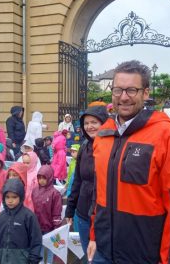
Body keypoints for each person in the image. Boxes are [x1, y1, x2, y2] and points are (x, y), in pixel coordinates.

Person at [87, 60, 170, 264]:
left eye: (131, 90)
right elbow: (98, 194)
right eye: (118, 90)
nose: (123, 97)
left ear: (145, 93)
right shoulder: (103, 134)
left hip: (143, 255)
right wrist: (93, 235)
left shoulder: (165, 134)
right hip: (103, 250)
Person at [65, 105, 108, 258]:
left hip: (104, 217)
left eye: (94, 122)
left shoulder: (113, 146)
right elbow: (77, 180)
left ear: (104, 122)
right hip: (83, 213)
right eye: (86, 123)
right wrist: (70, 208)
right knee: (88, 256)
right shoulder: (84, 147)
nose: (89, 126)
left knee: (101, 258)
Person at [0, 178, 42, 264]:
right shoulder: (1, 216)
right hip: (3, 259)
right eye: (7, 197)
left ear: (20, 197)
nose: (10, 200)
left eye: (14, 197)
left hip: (22, 260)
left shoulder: (28, 216)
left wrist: (33, 260)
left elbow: (36, 240)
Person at [32, 165, 62, 264]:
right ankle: (40, 262)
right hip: (37, 226)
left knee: (49, 247)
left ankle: (48, 262)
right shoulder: (35, 191)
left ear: (49, 177)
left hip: (49, 227)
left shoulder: (55, 194)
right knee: (38, 246)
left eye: (44, 178)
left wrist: (56, 227)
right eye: (39, 178)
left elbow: (57, 211)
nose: (41, 180)